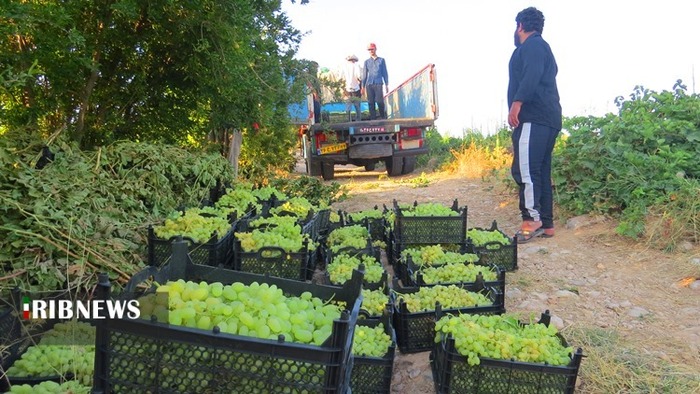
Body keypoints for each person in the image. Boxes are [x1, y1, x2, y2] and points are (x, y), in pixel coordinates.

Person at [507, 7, 561, 243]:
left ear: (520, 25)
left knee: (526, 170)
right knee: (540, 171)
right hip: (547, 119)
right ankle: (546, 224)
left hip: (534, 117)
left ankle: (532, 219)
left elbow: (532, 75)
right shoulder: (541, 47)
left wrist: (517, 103)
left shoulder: (533, 46)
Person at [362, 43, 389, 120]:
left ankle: (382, 116)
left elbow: (385, 72)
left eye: (372, 49)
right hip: (369, 84)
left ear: (375, 49)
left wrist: (387, 84)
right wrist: (363, 87)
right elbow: (364, 74)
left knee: (380, 101)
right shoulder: (366, 62)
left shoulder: (381, 60)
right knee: (371, 102)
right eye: (369, 50)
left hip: (378, 83)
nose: (371, 51)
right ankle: (373, 118)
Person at [342, 54, 362, 121]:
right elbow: (359, 77)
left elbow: (341, 78)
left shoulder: (344, 67)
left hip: (347, 89)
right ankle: (358, 121)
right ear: (354, 60)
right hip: (356, 89)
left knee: (348, 107)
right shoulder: (356, 66)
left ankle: (348, 121)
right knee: (357, 107)